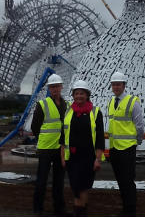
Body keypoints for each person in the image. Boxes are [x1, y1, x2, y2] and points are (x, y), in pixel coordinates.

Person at [60, 80, 105, 217]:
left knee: (83, 187)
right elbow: (63, 137)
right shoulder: (68, 112)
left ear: (87, 95)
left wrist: (98, 159)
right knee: (75, 187)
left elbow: (99, 139)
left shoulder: (96, 112)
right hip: (72, 157)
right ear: (73, 95)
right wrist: (62, 157)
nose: (79, 96)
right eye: (77, 93)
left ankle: (79, 212)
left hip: (88, 157)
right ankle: (80, 210)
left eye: (82, 93)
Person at [31, 73, 70, 216]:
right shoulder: (42, 105)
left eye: (57, 86)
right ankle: (38, 209)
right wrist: (43, 140)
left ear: (61, 87)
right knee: (41, 180)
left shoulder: (67, 105)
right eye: (52, 87)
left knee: (59, 181)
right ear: (49, 88)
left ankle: (59, 209)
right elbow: (35, 127)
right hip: (46, 149)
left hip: (60, 149)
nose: (55, 89)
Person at [108, 71, 144, 217]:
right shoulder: (111, 101)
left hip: (127, 148)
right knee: (121, 181)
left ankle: (130, 212)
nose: (116, 87)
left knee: (128, 181)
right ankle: (125, 209)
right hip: (114, 148)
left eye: (118, 84)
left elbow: (139, 125)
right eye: (114, 84)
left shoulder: (132, 101)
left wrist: (137, 141)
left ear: (124, 85)